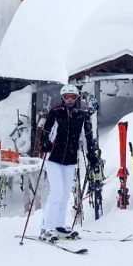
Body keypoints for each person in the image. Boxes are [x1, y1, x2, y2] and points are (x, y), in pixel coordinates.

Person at [39, 84, 98, 242]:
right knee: (57, 192)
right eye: (67, 97)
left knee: (65, 194)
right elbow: (46, 130)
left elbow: (88, 136)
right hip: (53, 158)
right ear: (62, 98)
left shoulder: (82, 115)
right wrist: (45, 142)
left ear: (77, 98)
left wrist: (91, 154)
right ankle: (46, 227)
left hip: (70, 160)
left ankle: (59, 226)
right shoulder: (56, 112)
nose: (70, 100)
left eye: (73, 97)